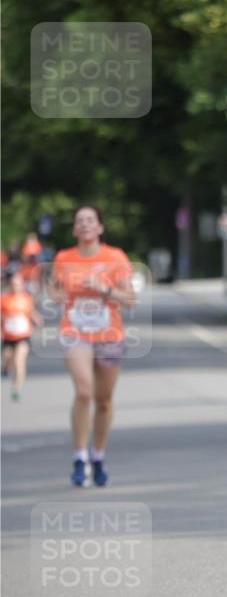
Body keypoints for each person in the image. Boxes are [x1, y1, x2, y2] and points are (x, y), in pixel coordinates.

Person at [49, 205, 135, 487]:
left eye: (90, 220)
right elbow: (54, 290)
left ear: (100, 227)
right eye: (80, 221)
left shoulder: (115, 257)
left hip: (109, 333)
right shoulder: (64, 258)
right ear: (75, 229)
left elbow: (130, 299)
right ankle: (79, 456)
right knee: (84, 391)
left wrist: (102, 288)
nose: (85, 224)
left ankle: (98, 455)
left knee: (104, 400)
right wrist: (55, 295)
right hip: (75, 331)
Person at [1, 272, 43, 400]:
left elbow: (31, 312)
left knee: (19, 362)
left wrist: (37, 318)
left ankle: (16, 388)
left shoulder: (26, 298)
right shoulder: (4, 299)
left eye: (18, 284)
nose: (16, 286)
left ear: (22, 285)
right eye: (13, 284)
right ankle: (6, 367)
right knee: (8, 358)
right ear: (10, 285)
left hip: (23, 335)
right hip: (8, 336)